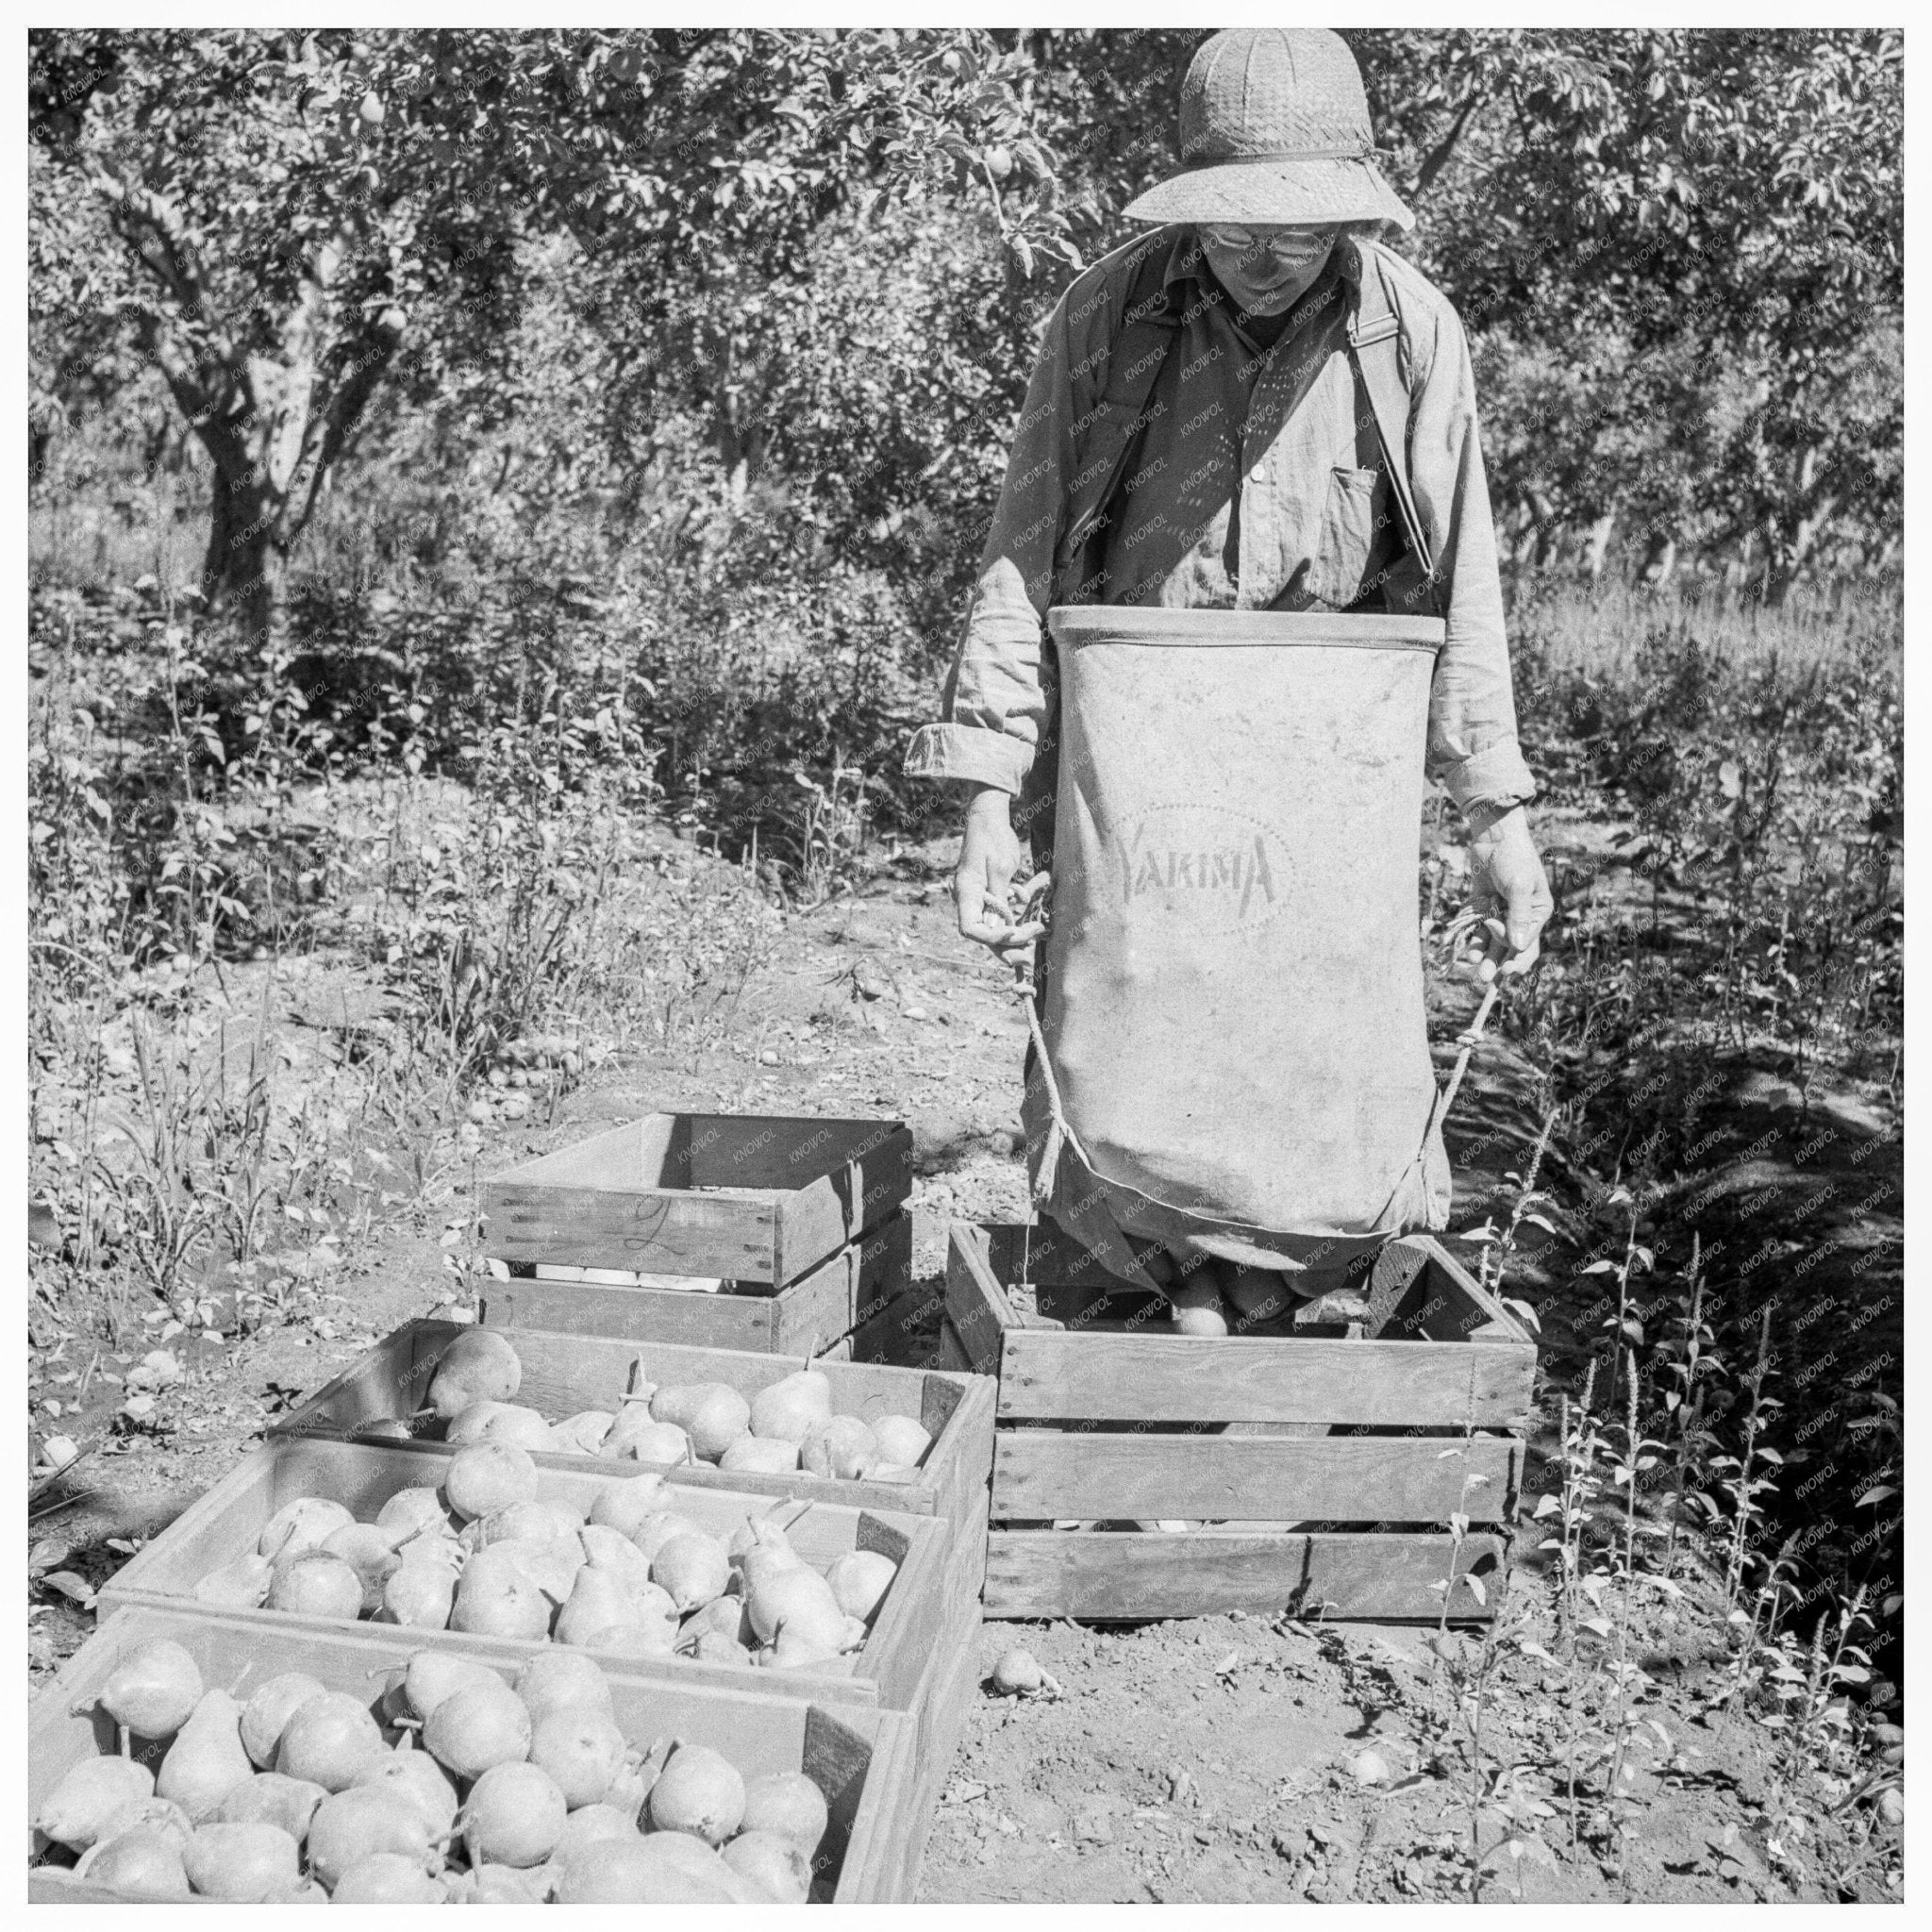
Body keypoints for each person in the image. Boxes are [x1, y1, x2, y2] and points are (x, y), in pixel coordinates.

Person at [905, 28, 1552, 1308]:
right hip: (1129, 754)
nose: (1267, 251)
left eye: (1300, 225)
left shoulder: (1410, 334)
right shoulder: (1108, 316)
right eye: (1238, 224)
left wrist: (1496, 813)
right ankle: (1126, 1328)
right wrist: (988, 795)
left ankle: (1289, 1314)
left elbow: (1463, 578)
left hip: (1325, 761)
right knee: (1120, 1031)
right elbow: (1021, 554)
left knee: (1316, 1049)